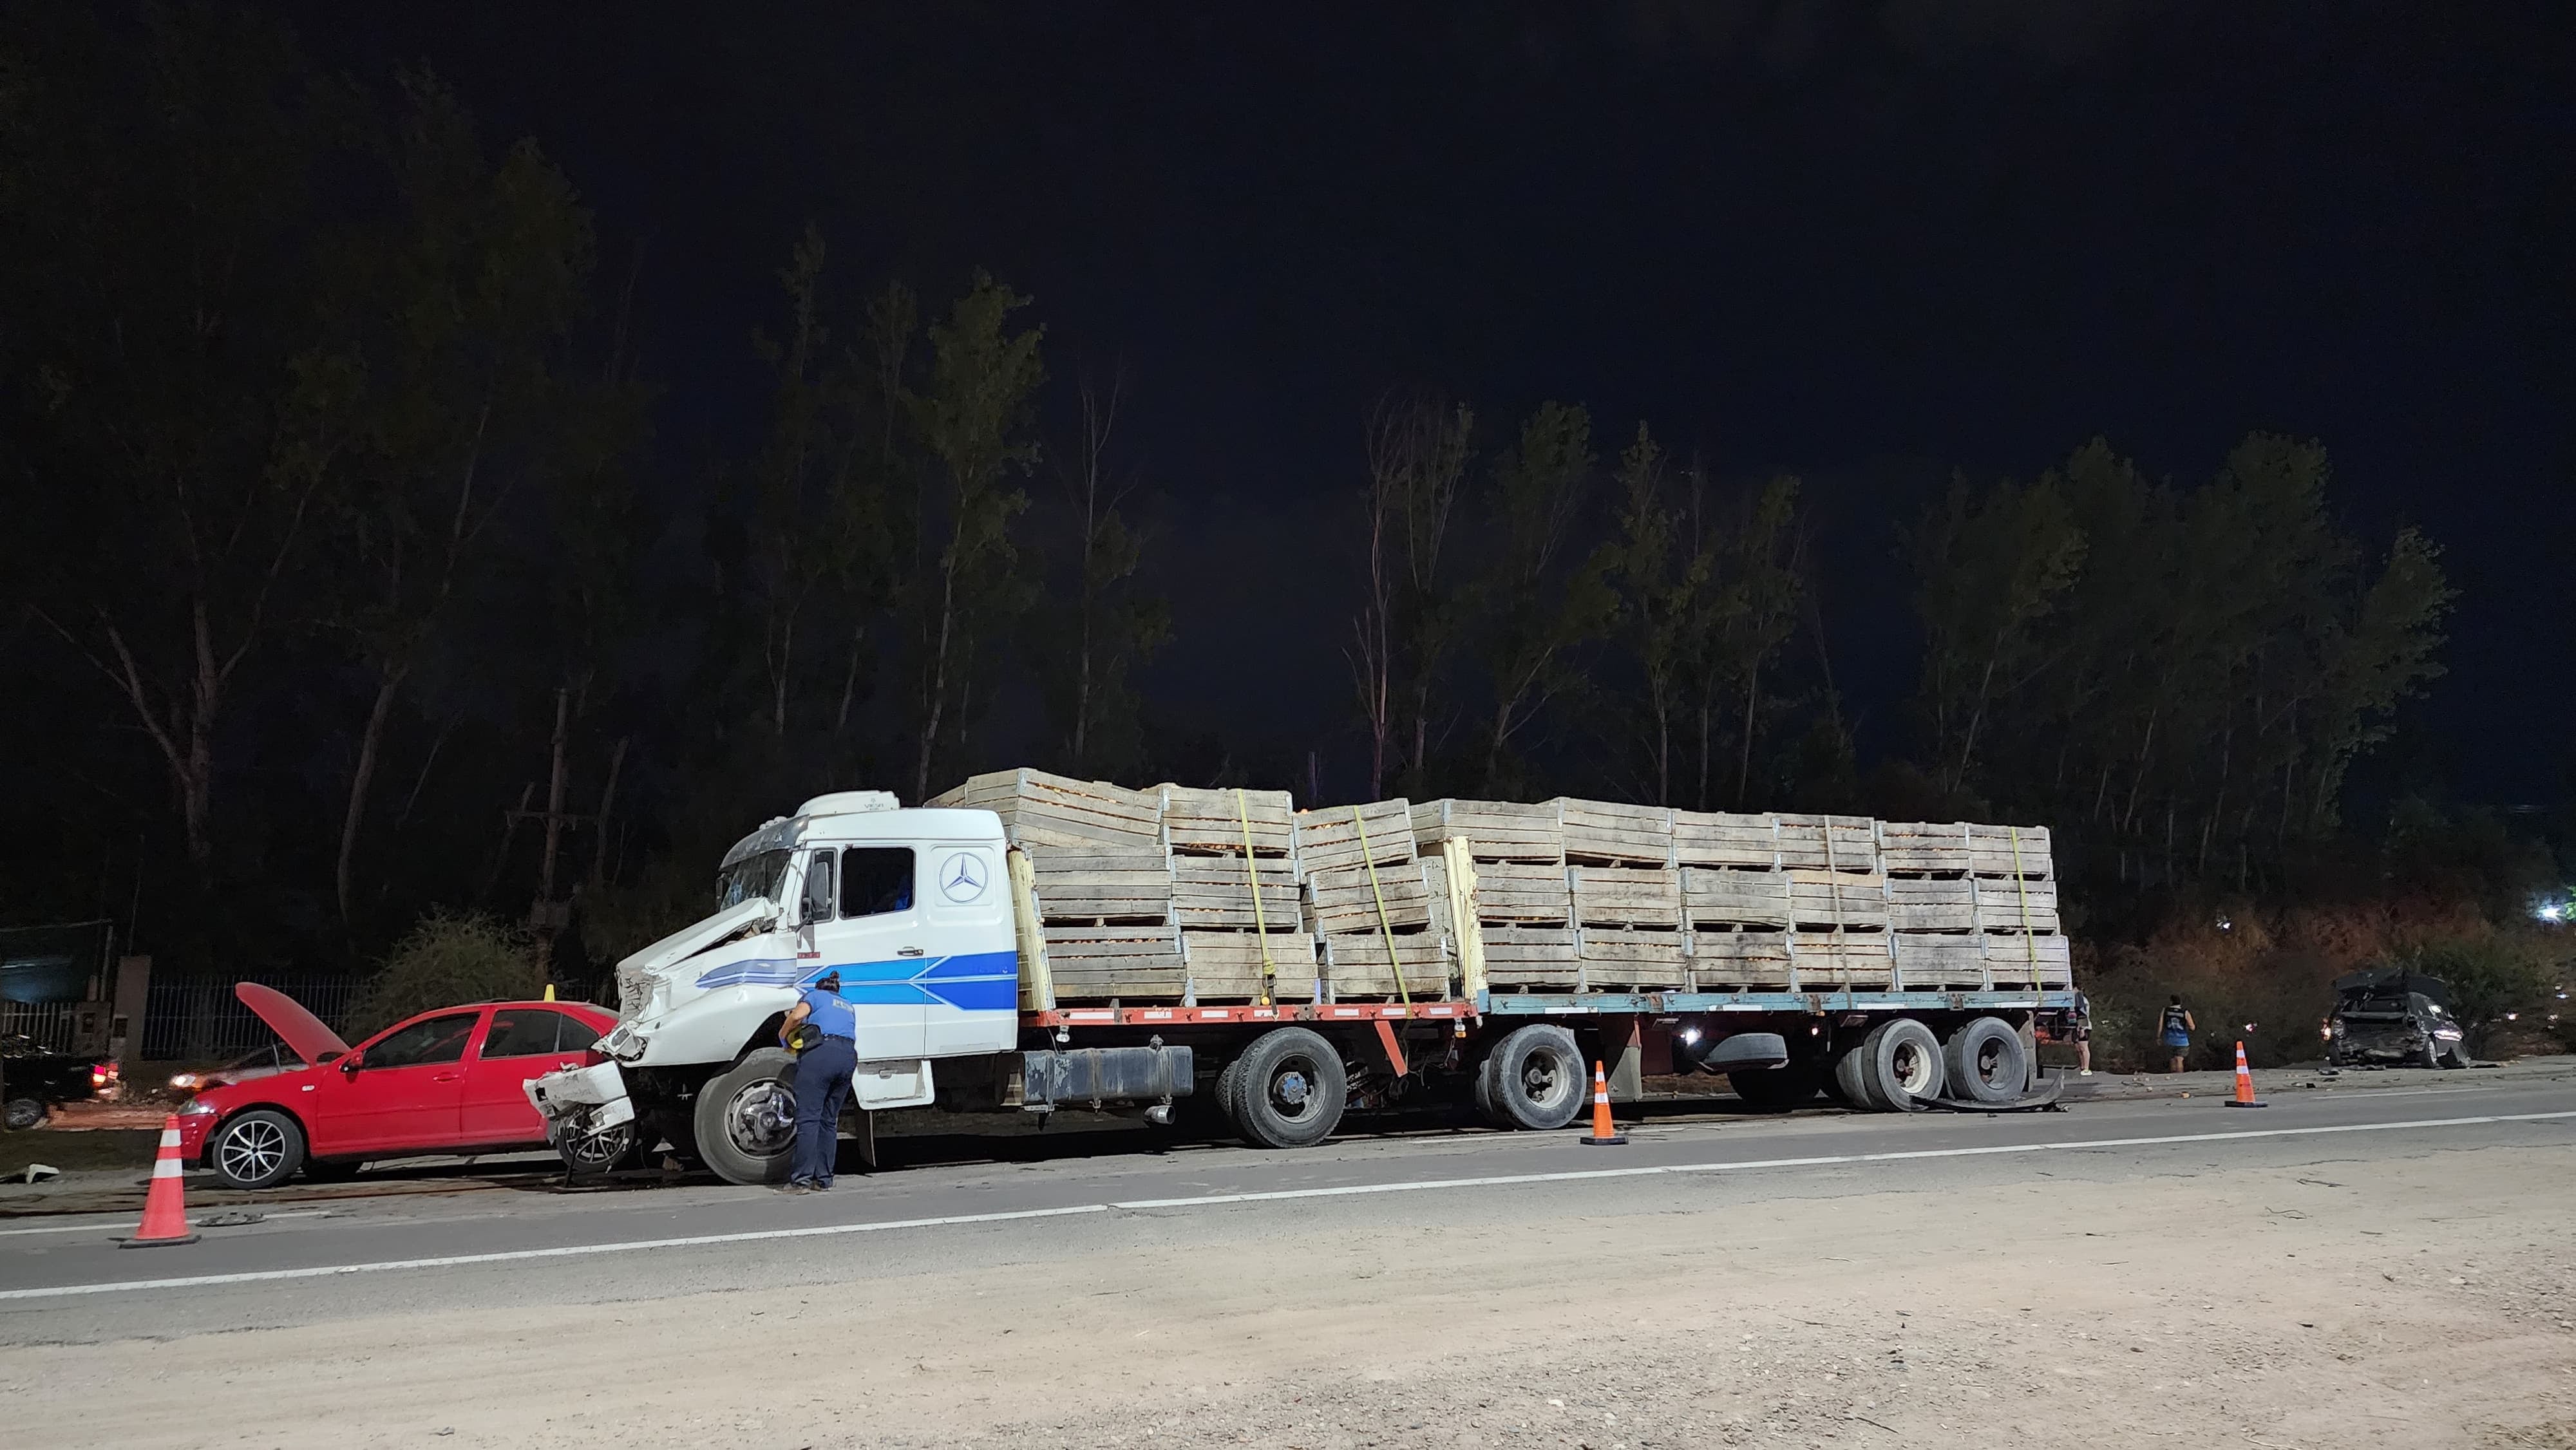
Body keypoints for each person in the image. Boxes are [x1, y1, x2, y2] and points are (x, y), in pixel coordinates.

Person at [779, 970, 858, 1192]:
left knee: (808, 1119)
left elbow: (795, 1017)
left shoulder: (814, 996)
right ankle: (824, 1179)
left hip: (822, 1053)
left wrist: (784, 1038)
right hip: (848, 1056)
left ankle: (801, 1180)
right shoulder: (847, 1004)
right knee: (828, 1120)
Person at [2159, 994, 2195, 1073]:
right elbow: (2192, 1027)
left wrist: (2158, 1037)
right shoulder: (2185, 1012)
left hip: (2169, 1039)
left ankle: (2173, 1077)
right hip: (2182, 1041)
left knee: (2172, 1060)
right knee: (2179, 1060)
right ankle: (2179, 1078)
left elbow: (2160, 1024)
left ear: (2171, 1002)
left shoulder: (2165, 1010)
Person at [2072, 990, 2094, 1077]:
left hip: (2084, 1027)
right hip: (2077, 1027)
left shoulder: (2082, 1000)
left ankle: (2086, 1068)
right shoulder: (2077, 999)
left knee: (2084, 1048)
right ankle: (2082, 1067)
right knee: (2079, 1049)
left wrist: (2082, 1028)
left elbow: (2083, 1015)